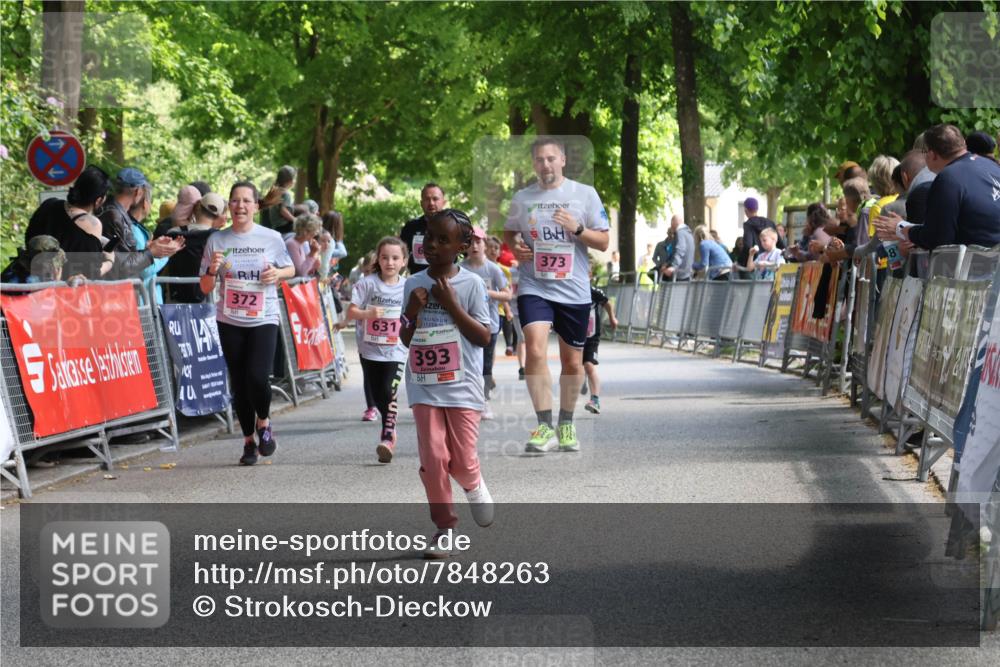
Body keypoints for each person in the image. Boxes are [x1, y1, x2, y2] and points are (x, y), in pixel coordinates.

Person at [503, 136, 610, 453]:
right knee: (534, 350)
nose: (545, 164)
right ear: (533, 164)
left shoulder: (584, 194)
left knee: (572, 362)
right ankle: (543, 425)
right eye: (539, 159)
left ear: (562, 159)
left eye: (551, 158)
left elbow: (603, 242)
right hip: (535, 284)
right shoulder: (523, 197)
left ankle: (566, 423)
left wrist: (577, 229)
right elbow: (510, 230)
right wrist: (515, 246)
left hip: (573, 288)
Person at [399, 208, 494, 558]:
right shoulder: (413, 283)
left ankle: (473, 483)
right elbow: (404, 338)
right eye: (429, 237)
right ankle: (445, 528)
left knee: (463, 460)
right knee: (434, 456)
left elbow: (483, 337)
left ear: (462, 246)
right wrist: (410, 311)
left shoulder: (471, 284)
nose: (432, 245)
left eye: (443, 240)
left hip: (463, 384)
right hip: (424, 384)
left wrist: (453, 305)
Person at [199, 181, 295, 466]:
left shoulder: (271, 237)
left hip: (263, 317)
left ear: (255, 206)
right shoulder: (216, 239)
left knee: (257, 376)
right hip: (229, 318)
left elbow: (290, 268)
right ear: (229, 205)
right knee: (239, 383)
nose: (240, 206)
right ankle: (248, 442)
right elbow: (205, 286)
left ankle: (264, 423)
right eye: (235, 200)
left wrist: (276, 274)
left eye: (246, 201)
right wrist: (213, 270)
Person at [876, 124, 1000, 250]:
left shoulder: (948, 178)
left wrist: (900, 228)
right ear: (963, 143)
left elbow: (937, 239)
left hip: (975, 264)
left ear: (932, 155)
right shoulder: (992, 167)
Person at [348, 237, 409, 463]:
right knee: (377, 392)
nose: (390, 262)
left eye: (395, 258)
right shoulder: (368, 283)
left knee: (388, 389)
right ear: (378, 259)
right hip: (370, 349)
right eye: (385, 257)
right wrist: (368, 315)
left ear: (403, 261)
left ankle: (387, 435)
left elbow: (413, 314)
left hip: (396, 349)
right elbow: (352, 312)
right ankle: (389, 426)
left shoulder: (408, 286)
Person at [22, 166, 114, 281]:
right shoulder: (93, 224)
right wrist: (109, 261)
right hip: (62, 292)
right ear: (99, 200)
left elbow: (29, 238)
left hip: (26, 282)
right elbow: (90, 272)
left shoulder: (48, 205)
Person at [460, 227, 512, 420]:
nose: (474, 246)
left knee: (486, 366)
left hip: (488, 324)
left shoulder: (493, 269)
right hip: (465, 324)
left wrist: (487, 293)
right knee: (466, 364)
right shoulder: (460, 268)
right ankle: (466, 402)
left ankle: (484, 402)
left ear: (484, 244)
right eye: (470, 242)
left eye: (478, 242)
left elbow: (507, 294)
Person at [100, 168, 183, 279]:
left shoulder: (112, 212)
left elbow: (121, 257)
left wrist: (149, 248)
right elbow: (123, 267)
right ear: (138, 191)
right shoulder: (115, 217)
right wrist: (151, 252)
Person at [164, 192, 228, 303]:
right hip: (209, 301)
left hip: (176, 301)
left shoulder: (172, 233)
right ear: (218, 216)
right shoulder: (220, 239)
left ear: (197, 207)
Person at [582, 274, 617, 415]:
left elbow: (607, 303)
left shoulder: (594, 292)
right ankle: (582, 379)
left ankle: (595, 400)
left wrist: (612, 318)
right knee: (576, 366)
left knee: (589, 365)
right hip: (574, 335)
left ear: (590, 277)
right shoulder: (568, 292)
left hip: (591, 336)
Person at [400, 183, 446, 275]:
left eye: (435, 199)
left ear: (444, 202)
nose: (431, 203)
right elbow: (400, 254)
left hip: (447, 280)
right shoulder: (411, 227)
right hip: (417, 281)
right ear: (421, 203)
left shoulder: (453, 227)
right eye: (427, 199)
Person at [486, 236, 516, 356]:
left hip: (499, 310)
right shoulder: (476, 267)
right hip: (481, 309)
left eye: (496, 248)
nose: (493, 250)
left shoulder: (503, 270)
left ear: (499, 252)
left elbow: (506, 291)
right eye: (490, 247)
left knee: (491, 344)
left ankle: (509, 345)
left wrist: (508, 309)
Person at [738, 197, 784, 268]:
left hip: (756, 262)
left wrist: (739, 262)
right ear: (757, 209)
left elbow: (747, 245)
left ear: (746, 210)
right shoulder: (770, 222)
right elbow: (781, 243)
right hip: (773, 259)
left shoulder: (748, 224)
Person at [260, 166, 297, 234]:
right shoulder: (285, 194)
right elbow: (283, 211)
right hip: (283, 225)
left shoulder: (275, 190)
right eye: (294, 178)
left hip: (275, 225)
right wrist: (295, 220)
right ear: (290, 181)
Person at [285, 213, 323, 277]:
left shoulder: (304, 243)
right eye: (315, 230)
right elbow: (301, 273)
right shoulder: (291, 244)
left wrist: (315, 254)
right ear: (306, 231)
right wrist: (312, 253)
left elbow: (309, 267)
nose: (316, 233)